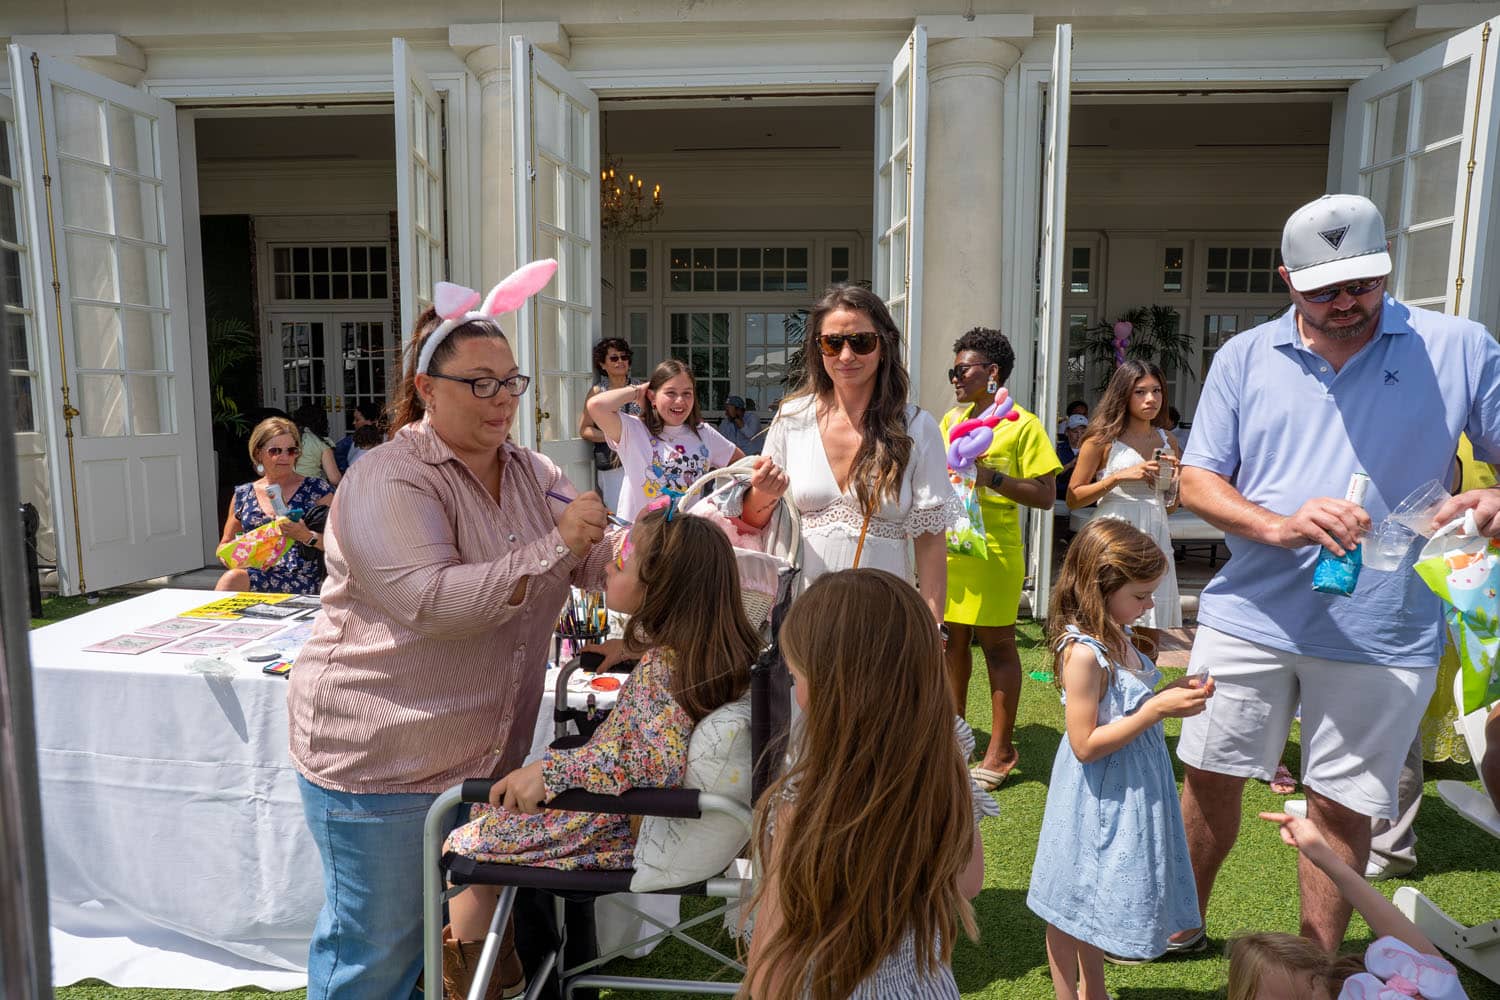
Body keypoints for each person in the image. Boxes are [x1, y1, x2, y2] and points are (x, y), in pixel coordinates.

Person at [1174, 193, 1500, 955]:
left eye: (1363, 284)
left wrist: (1492, 501)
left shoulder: (1460, 345)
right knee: (1209, 776)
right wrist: (1275, 525)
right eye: (1325, 290)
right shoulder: (1244, 356)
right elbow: (1196, 480)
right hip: (1250, 613)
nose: (1348, 304)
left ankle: (1317, 960)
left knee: (1344, 804)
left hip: (1387, 625)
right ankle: (1180, 924)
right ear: (1286, 278)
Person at [286, 265, 617, 1000]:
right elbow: (429, 601)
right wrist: (558, 545)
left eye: (510, 382)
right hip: (384, 759)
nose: (501, 400)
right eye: (479, 383)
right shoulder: (389, 479)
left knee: (434, 951)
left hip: (477, 757)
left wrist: (685, 535)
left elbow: (596, 558)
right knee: (376, 953)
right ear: (428, 389)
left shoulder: (531, 471)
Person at [441, 505, 762, 999]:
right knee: (491, 805)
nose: (609, 568)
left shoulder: (666, 671)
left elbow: (653, 761)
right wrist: (633, 648)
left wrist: (551, 771)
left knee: (457, 845)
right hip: (624, 816)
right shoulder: (706, 651)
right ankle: (500, 972)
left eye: (621, 564)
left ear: (661, 589)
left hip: (613, 824)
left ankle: (480, 984)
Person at [743, 569, 984, 1000]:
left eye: (798, 677)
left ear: (834, 686)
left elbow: (771, 963)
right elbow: (968, 882)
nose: (796, 689)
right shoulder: (945, 759)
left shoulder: (802, 802)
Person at [1028, 518, 1209, 997]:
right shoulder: (1084, 654)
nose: (1150, 605)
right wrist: (1156, 710)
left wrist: (1167, 693)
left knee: (1097, 897)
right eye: (1141, 595)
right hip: (1097, 793)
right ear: (1100, 586)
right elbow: (1085, 744)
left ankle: (1096, 990)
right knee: (1072, 899)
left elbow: (1128, 702)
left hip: (1129, 783)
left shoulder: (1119, 633)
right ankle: (1069, 991)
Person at [739, 284, 959, 622]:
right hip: (801, 613)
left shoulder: (915, 426)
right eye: (832, 343)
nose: (846, 356)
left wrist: (934, 625)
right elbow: (754, 520)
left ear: (884, 345)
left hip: (883, 613)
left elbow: (930, 542)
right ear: (818, 349)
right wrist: (763, 494)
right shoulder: (792, 418)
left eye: (861, 342)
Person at [941, 327, 1061, 790]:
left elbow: (1047, 495)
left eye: (962, 369)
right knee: (951, 644)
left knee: (997, 646)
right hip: (954, 550)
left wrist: (990, 478)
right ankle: (955, 739)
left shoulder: (1022, 425)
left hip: (994, 553)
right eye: (953, 370)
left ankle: (1002, 749)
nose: (954, 377)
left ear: (991, 373)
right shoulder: (950, 421)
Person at [1227, 811, 1468, 1000]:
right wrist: (1326, 859)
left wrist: (1326, 858)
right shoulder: (1433, 986)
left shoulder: (1428, 986)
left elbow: (1423, 956)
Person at [1066, 360, 1184, 654]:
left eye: (1157, 391)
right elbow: (1074, 497)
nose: (1151, 399)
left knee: (1149, 631)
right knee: (1105, 622)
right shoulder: (1101, 439)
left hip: (1155, 530)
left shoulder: (1167, 440)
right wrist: (1118, 476)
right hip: (1115, 531)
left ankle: (1144, 696)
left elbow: (1170, 506)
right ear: (1124, 394)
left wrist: (1172, 486)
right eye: (1140, 392)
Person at [587, 359, 742, 522]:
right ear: (652, 397)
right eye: (671, 393)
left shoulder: (705, 434)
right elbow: (596, 405)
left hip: (685, 538)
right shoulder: (633, 430)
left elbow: (742, 465)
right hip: (640, 539)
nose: (680, 401)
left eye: (687, 393)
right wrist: (638, 392)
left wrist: (718, 503)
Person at [214, 415, 333, 595]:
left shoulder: (317, 489)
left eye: (291, 450)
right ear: (258, 453)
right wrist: (237, 553)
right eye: (275, 451)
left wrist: (306, 536)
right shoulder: (244, 494)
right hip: (256, 572)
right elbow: (224, 545)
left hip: (302, 579)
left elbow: (343, 545)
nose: (284, 457)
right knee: (232, 578)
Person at [579, 337, 640, 510]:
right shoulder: (598, 392)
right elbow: (585, 429)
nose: (620, 361)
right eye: (614, 358)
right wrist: (613, 436)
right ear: (602, 365)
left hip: (639, 460)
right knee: (618, 510)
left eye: (624, 357)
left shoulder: (640, 389)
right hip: (612, 464)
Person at [292, 402, 342, 487]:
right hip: (311, 489)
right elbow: (334, 479)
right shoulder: (321, 442)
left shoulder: (288, 439)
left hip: (286, 488)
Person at [333, 400, 384, 473]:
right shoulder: (351, 440)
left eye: (357, 420)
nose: (353, 423)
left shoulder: (387, 441)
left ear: (373, 421)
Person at [1056, 413, 1089, 494]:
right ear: (1067, 432)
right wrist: (1071, 464)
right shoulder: (1057, 449)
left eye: (1083, 432)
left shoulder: (1091, 449)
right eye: (1075, 432)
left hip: (1085, 498)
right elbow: (1051, 475)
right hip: (1060, 498)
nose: (1079, 436)